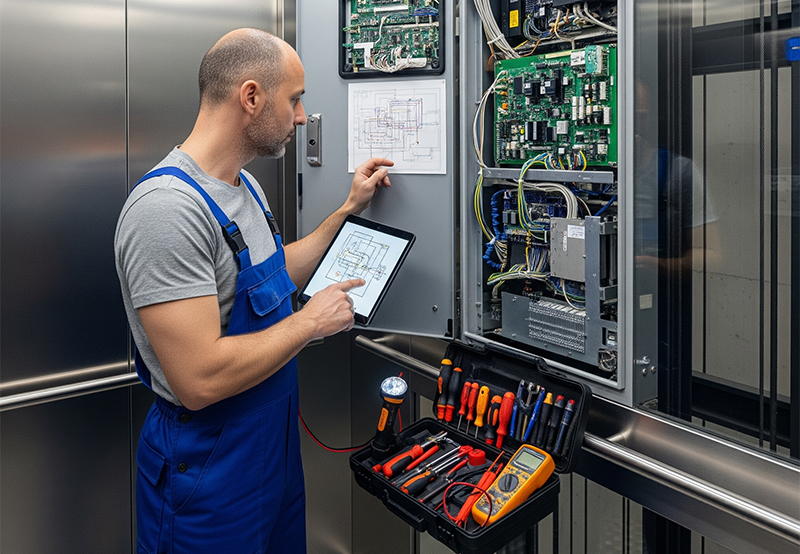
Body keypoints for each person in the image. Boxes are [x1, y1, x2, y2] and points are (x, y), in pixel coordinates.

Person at [114, 28, 393, 554]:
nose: (303, 116)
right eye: (294, 99)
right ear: (250, 97)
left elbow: (269, 272)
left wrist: (347, 209)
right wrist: (309, 323)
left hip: (273, 459)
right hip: (207, 475)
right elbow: (198, 378)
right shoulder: (167, 211)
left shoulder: (246, 186)